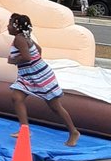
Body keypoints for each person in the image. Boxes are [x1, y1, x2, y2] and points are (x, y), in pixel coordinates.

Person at [7, 13, 81, 146]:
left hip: (40, 76)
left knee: (55, 107)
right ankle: (25, 128)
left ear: (16, 27)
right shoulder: (25, 37)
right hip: (30, 75)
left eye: (10, 23)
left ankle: (73, 131)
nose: (7, 26)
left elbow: (27, 57)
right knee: (16, 97)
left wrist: (12, 60)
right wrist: (35, 64)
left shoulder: (19, 39)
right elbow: (39, 50)